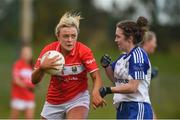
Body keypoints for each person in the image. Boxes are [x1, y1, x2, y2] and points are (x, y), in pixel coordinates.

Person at [32, 11, 106, 119]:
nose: (70, 40)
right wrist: (42, 68)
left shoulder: (84, 51)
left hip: (78, 98)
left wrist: (95, 92)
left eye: (73, 36)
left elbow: (96, 76)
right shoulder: (48, 51)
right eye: (66, 36)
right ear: (58, 36)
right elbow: (34, 80)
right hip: (54, 100)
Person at [99, 16, 153, 119]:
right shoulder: (123, 57)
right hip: (123, 108)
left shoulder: (138, 56)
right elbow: (114, 79)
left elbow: (132, 87)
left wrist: (108, 90)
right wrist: (106, 66)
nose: (115, 40)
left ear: (130, 38)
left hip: (137, 106)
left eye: (118, 37)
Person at [10, 45, 35, 119]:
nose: (26, 55)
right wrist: (27, 86)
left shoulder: (33, 66)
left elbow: (36, 79)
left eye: (28, 53)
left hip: (29, 96)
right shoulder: (18, 64)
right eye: (24, 53)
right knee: (14, 117)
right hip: (18, 96)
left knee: (29, 117)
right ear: (21, 54)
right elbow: (16, 80)